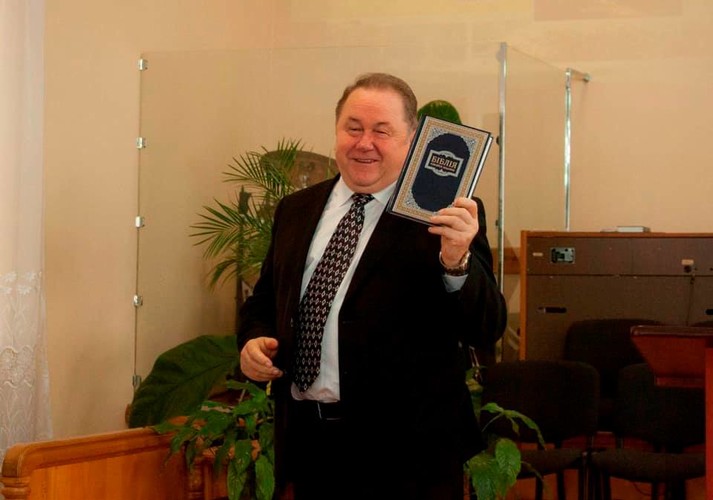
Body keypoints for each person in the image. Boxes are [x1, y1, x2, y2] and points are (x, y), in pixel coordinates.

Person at [237, 72, 507, 500]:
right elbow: (265, 301)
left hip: (409, 457)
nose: (365, 143)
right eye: (353, 128)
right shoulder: (296, 209)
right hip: (311, 446)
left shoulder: (444, 215)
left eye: (382, 131)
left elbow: (486, 326)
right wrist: (253, 341)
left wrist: (456, 262)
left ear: (412, 140)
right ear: (336, 131)